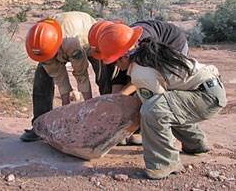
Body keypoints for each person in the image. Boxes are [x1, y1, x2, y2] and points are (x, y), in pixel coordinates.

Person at [97, 23, 227, 179]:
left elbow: (155, 108)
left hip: (207, 97)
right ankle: (196, 144)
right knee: (168, 104)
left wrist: (121, 128)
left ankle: (164, 164)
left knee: (152, 110)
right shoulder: (148, 55)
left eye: (116, 61)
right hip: (208, 91)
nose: (115, 65)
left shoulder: (141, 72)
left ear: (125, 56)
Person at [88, 20, 190, 145]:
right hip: (143, 59)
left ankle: (161, 133)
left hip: (172, 45)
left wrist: (122, 96)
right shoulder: (119, 46)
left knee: (158, 92)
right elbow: (119, 75)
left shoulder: (140, 43)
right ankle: (132, 128)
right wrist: (113, 102)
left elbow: (143, 78)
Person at [20, 11, 97, 142]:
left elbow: (81, 75)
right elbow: (59, 78)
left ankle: (106, 124)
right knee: (41, 76)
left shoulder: (72, 44)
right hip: (53, 44)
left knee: (105, 73)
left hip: (90, 39)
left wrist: (88, 109)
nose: (48, 60)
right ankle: (40, 125)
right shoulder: (40, 41)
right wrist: (64, 113)